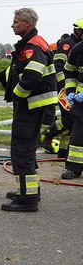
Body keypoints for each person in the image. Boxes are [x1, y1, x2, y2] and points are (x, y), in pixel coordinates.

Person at [0, 8, 57, 212]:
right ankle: (28, 191)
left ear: (27, 24)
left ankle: (27, 200)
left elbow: (31, 77)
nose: (12, 25)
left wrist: (17, 95)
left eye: (16, 22)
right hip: (34, 105)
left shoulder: (33, 46)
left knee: (21, 151)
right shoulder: (33, 43)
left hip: (29, 106)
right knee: (27, 151)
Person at [39, 21, 83, 157]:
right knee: (70, 120)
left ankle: (64, 152)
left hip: (75, 90)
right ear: (79, 31)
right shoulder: (68, 45)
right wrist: (66, 87)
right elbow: (58, 66)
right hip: (67, 90)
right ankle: (47, 136)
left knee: (71, 122)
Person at [61, 38, 83, 179]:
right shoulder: (78, 50)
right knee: (78, 134)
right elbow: (69, 73)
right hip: (81, 103)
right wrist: (70, 91)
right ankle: (74, 168)